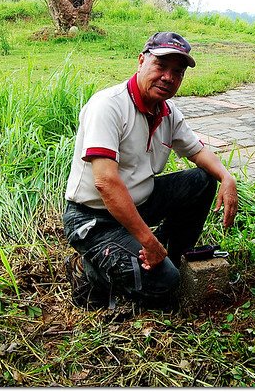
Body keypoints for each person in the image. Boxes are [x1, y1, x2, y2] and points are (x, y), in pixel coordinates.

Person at [62, 31, 238, 309]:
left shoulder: (167, 112)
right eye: (160, 66)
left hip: (138, 204)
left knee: (203, 180)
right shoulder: (108, 106)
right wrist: (149, 240)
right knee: (164, 284)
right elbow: (106, 183)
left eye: (177, 72)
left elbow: (198, 151)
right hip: (93, 219)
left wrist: (227, 177)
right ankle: (92, 273)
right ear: (141, 60)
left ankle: (167, 256)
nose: (168, 77)